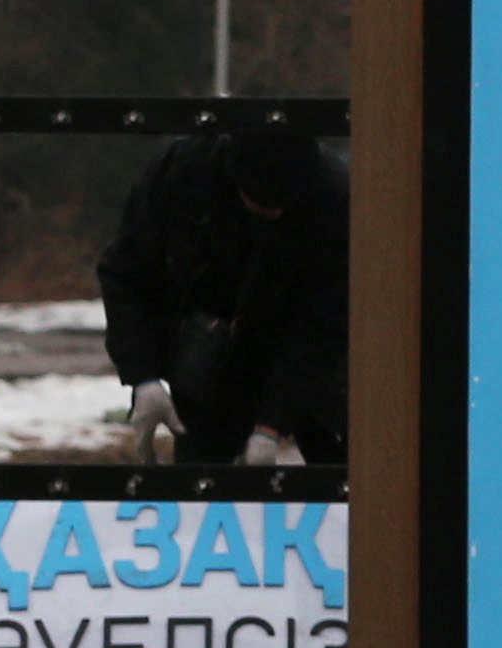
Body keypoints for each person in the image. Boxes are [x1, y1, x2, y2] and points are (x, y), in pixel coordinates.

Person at [98, 123, 347, 466]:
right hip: (207, 350)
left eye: (284, 205)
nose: (275, 213)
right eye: (262, 203)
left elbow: (325, 324)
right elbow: (127, 275)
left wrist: (270, 426)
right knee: (206, 480)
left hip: (302, 347)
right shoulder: (182, 175)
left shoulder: (333, 197)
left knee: (345, 471)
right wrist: (143, 376)